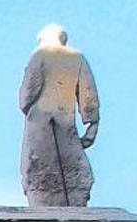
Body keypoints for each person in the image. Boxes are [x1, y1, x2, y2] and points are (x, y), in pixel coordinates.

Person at [18, 24, 99, 207]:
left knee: (38, 163)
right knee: (71, 160)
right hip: (65, 121)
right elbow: (88, 93)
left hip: (40, 122)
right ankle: (74, 195)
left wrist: (26, 104)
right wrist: (92, 123)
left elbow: (27, 94)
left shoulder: (39, 55)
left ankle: (43, 198)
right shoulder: (77, 58)